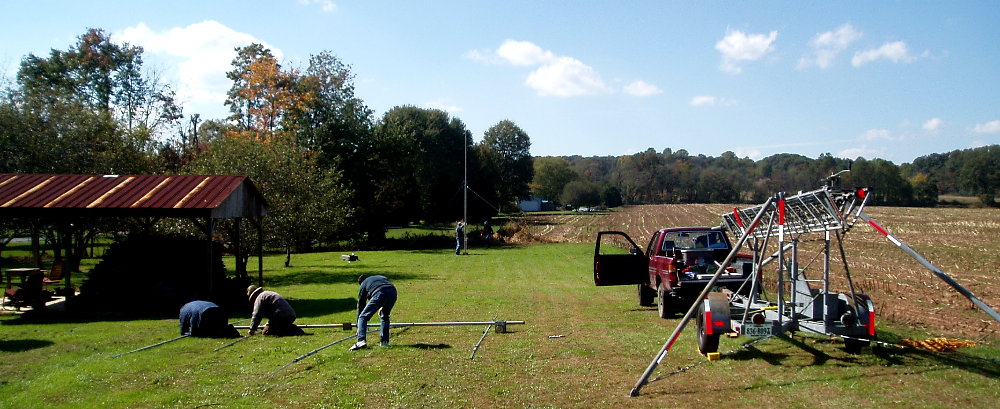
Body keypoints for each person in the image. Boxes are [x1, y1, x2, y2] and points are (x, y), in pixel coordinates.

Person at [351, 274, 398, 350]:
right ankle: (384, 342)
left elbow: (360, 305)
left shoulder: (364, 284)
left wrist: (359, 327)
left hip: (380, 292)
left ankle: (361, 340)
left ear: (361, 282)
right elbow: (386, 288)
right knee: (384, 316)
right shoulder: (379, 277)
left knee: (363, 317)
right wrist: (382, 305)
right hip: (393, 291)